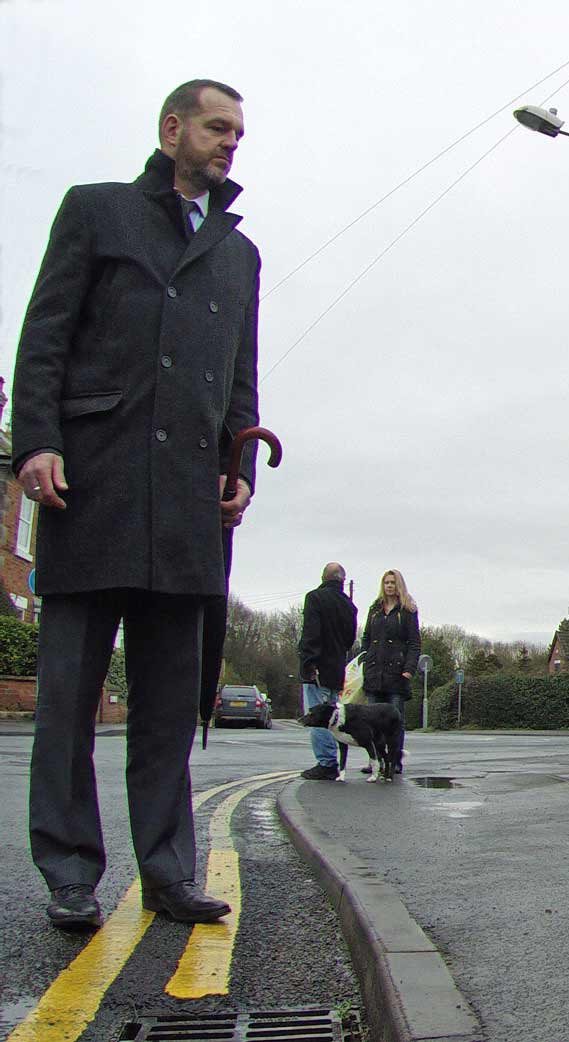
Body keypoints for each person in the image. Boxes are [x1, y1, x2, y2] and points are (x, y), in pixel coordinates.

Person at [13, 79, 260, 929]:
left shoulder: (240, 253)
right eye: (217, 126)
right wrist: (35, 441)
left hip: (189, 503)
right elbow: (44, 334)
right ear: (172, 129)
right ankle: (71, 870)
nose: (231, 142)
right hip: (93, 484)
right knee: (69, 700)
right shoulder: (97, 211)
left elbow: (239, 375)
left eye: (239, 132)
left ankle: (168, 872)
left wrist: (241, 467)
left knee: (165, 709)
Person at [297, 563, 358, 780]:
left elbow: (311, 634)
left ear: (323, 577)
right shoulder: (349, 606)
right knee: (334, 717)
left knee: (319, 716)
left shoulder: (315, 598)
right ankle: (334, 761)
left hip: (318, 669)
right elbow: (350, 640)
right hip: (336, 669)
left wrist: (308, 663)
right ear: (342, 581)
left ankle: (327, 762)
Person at [361, 569, 422, 765]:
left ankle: (394, 761)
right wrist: (364, 659)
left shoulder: (407, 611)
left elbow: (414, 642)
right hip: (374, 672)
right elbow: (367, 638)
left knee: (394, 720)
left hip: (397, 674)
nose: (389, 586)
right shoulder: (375, 609)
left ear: (399, 585)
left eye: (392, 583)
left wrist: (408, 668)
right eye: (386, 582)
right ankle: (375, 761)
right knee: (372, 721)